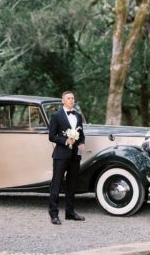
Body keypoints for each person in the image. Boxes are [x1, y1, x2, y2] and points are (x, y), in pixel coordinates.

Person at [48, 90, 85, 225]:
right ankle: (54, 214)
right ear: (63, 101)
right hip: (61, 155)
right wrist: (65, 141)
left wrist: (81, 144)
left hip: (75, 156)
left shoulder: (78, 116)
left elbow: (81, 134)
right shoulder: (56, 116)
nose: (71, 100)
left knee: (72, 184)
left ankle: (70, 212)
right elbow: (51, 136)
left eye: (72, 98)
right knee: (56, 184)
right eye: (68, 98)